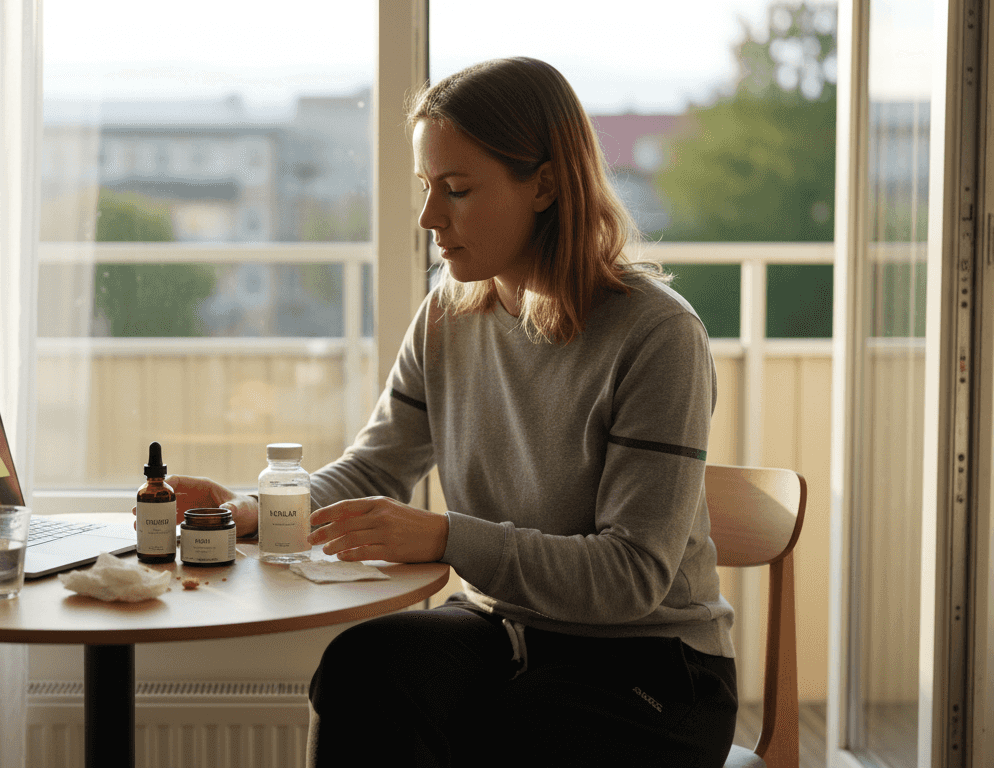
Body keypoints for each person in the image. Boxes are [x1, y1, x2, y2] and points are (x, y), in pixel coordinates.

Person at [150, 57, 737, 767]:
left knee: (503, 734)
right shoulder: (449, 315)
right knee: (362, 668)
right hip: (509, 633)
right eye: (428, 188)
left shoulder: (657, 336)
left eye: (456, 190)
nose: (430, 217)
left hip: (651, 667)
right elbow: (375, 468)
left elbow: (631, 577)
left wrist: (446, 537)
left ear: (546, 185)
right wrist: (254, 507)